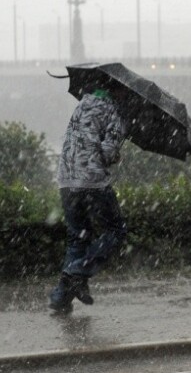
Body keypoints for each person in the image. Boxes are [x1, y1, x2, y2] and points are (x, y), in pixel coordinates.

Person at [48, 82, 128, 313]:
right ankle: (77, 271)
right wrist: (116, 155)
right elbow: (108, 152)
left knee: (77, 238)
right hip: (92, 181)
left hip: (66, 180)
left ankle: (61, 298)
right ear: (118, 91)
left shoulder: (82, 105)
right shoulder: (113, 111)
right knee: (116, 230)